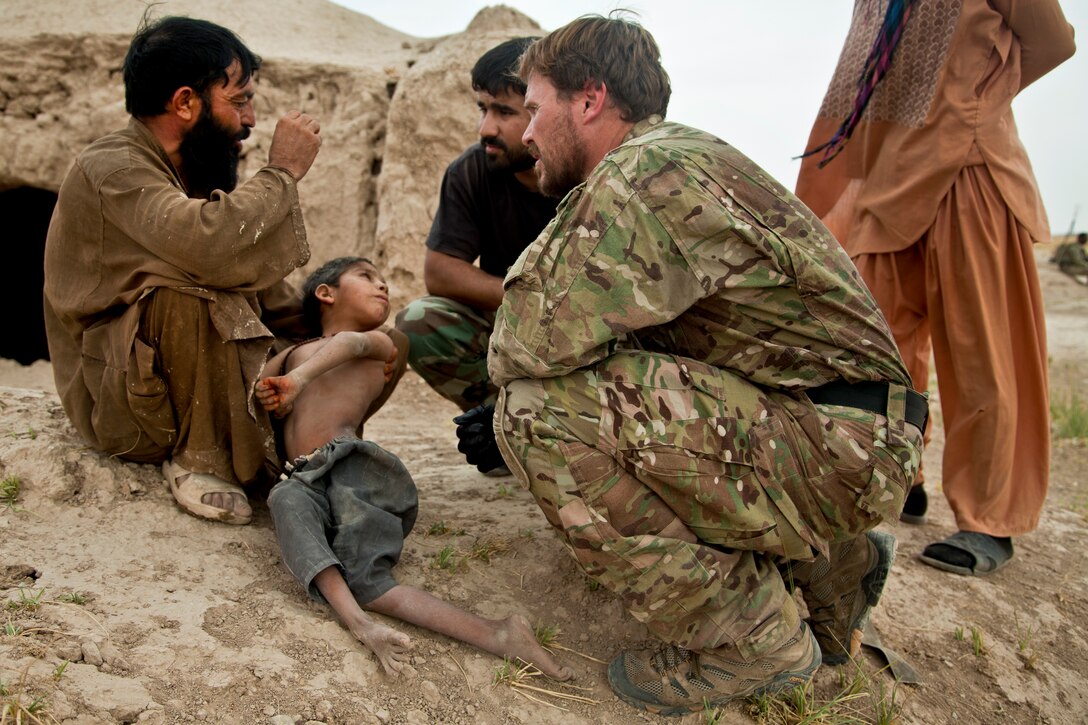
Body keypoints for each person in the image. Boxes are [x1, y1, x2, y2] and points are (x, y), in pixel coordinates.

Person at [455, 15, 926, 716]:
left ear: (588, 100)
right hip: (853, 435)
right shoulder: (678, 155)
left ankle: (752, 640)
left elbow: (522, 343)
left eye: (533, 108)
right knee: (627, 374)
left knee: (535, 412)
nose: (525, 134)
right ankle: (834, 570)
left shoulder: (641, 174)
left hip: (836, 446)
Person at [796, 0, 1075, 575]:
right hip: (882, 181)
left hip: (967, 168)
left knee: (982, 350)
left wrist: (981, 101)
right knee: (876, 350)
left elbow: (1054, 41)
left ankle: (988, 520)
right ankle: (901, 480)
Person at [42, 15, 323, 525]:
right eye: (239, 101)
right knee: (187, 285)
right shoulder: (114, 168)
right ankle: (200, 457)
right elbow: (208, 248)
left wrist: (323, 324)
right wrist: (281, 173)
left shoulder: (186, 168)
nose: (251, 119)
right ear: (186, 102)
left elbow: (247, 270)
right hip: (117, 399)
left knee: (356, 335)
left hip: (162, 381)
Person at [255, 257, 573, 680]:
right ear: (325, 293)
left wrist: (297, 381)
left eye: (384, 279)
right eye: (367, 277)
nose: (383, 285)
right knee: (285, 501)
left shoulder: (380, 343)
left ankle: (499, 635)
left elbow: (350, 345)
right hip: (302, 476)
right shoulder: (293, 354)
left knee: (367, 576)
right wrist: (276, 383)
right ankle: (360, 623)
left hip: (352, 465)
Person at [395, 37, 558, 418]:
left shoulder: (588, 174)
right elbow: (440, 272)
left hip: (587, 323)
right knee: (418, 322)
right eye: (482, 109)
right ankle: (499, 424)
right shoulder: (471, 171)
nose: (485, 128)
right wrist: (528, 300)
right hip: (513, 316)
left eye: (503, 112)